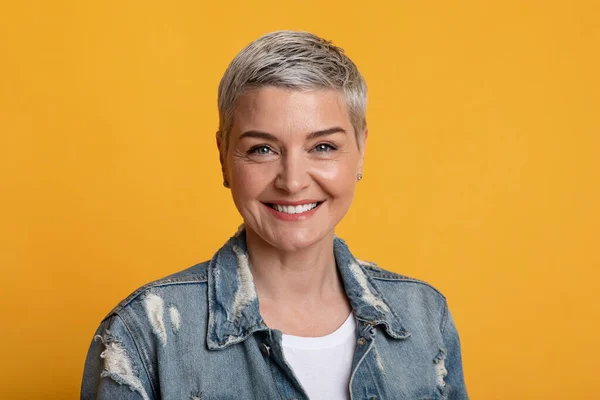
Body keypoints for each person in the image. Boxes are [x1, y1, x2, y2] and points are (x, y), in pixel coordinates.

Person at [81, 30, 468, 400]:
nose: (293, 181)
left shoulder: (425, 316)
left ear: (361, 150)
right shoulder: (143, 333)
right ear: (223, 157)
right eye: (262, 149)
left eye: (323, 146)